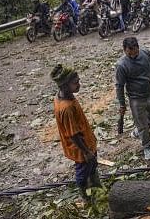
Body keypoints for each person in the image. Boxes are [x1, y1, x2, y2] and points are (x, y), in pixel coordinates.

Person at [50, 64, 100, 204]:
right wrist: (86, 151)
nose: (79, 84)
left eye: (78, 81)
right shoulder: (66, 108)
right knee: (82, 172)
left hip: (86, 141)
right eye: (75, 82)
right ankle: (86, 197)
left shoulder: (64, 96)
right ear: (65, 85)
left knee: (92, 166)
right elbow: (73, 135)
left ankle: (96, 188)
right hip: (80, 148)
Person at [115, 37, 150, 160]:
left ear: (138, 48)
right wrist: (122, 104)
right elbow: (119, 86)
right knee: (143, 125)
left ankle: (139, 131)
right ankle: (147, 147)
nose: (132, 56)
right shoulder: (121, 65)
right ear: (124, 50)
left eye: (135, 52)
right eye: (129, 53)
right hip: (136, 100)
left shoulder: (146, 54)